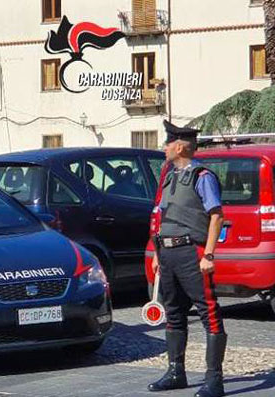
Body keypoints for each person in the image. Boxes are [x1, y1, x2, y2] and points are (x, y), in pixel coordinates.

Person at [148, 120, 226, 397]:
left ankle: (214, 379)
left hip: (192, 251)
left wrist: (208, 254)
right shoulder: (168, 176)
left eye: (168, 143)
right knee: (173, 312)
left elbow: (216, 216)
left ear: (180, 146)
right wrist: (157, 253)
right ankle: (175, 372)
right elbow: (161, 216)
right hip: (167, 253)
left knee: (208, 312)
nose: (165, 147)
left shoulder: (203, 177)